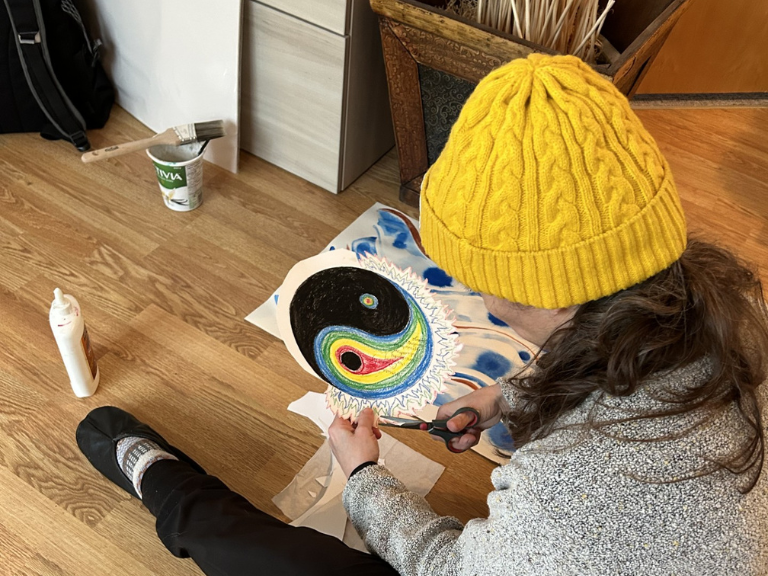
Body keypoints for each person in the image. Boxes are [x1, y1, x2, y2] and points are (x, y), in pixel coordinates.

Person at [76, 54, 768, 575]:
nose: (470, 294)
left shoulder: (573, 493)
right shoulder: (729, 323)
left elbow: (447, 568)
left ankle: (164, 485)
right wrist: (510, 396)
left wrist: (365, 477)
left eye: (480, 280)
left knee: (274, 561)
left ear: (547, 293)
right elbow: (611, 376)